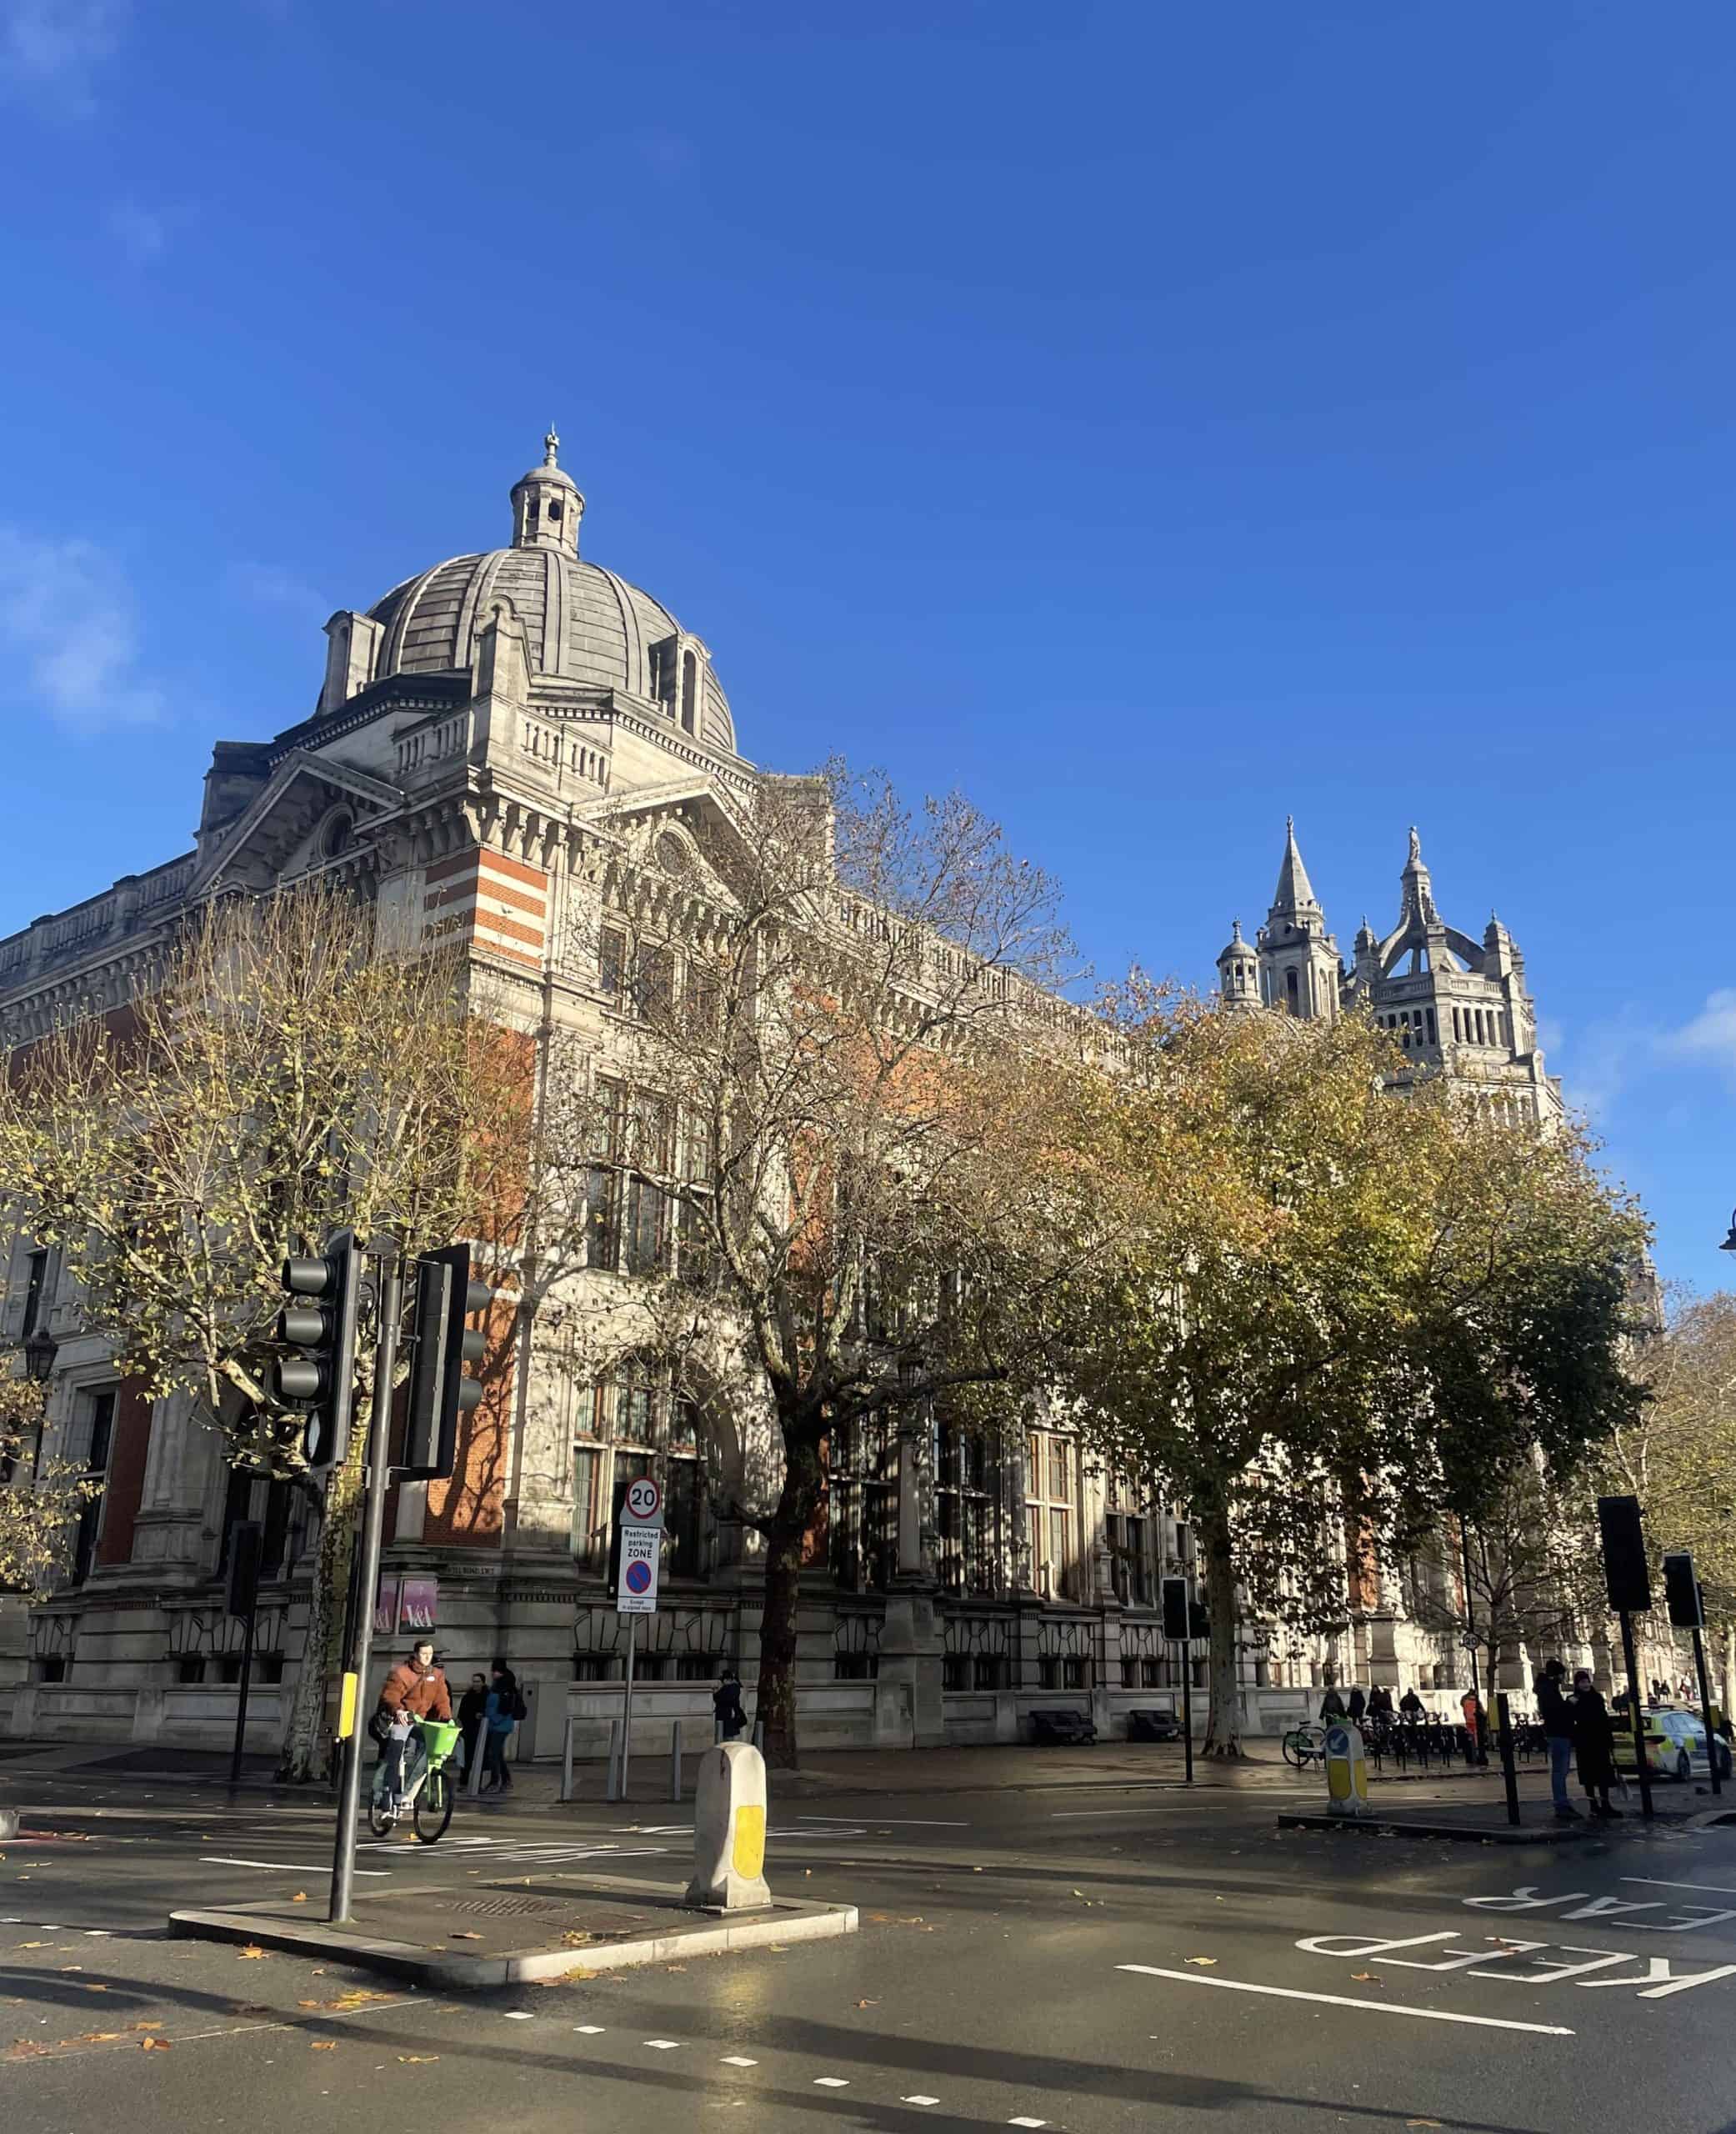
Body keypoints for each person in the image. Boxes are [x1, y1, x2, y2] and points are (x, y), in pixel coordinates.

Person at [375, 1638, 452, 1806]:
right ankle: (386, 1797)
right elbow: (391, 1694)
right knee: (396, 1754)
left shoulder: (436, 1675)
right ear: (416, 1654)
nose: (427, 1657)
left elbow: (442, 1700)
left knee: (433, 1750)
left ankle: (409, 1793)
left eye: (430, 1654)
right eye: (424, 1654)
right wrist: (399, 1710)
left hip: (421, 1721)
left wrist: (446, 1717)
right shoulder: (402, 1673)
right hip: (401, 1719)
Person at [1571, 1668, 1621, 1819]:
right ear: (1577, 1684)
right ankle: (1593, 1806)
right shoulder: (1574, 1700)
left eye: (1586, 1681)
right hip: (1585, 1744)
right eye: (1582, 1682)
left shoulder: (1597, 1698)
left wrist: (1609, 1740)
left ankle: (1605, 1804)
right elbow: (1572, 1719)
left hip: (1599, 1742)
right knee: (1589, 1778)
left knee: (1603, 1776)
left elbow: (1604, 1720)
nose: (1585, 1685)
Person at [1537, 1658, 1578, 1821]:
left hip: (1556, 1732)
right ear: (1558, 1675)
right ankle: (1561, 1804)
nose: (1564, 1678)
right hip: (1559, 1733)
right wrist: (1569, 1703)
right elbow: (1556, 1711)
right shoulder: (1550, 1690)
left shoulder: (1545, 1688)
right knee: (1560, 1770)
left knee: (1560, 1770)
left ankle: (1562, 1803)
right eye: (1562, 1674)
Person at [481, 1661, 520, 1792]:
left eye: (495, 1671)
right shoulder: (498, 1685)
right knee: (497, 1754)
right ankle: (506, 1780)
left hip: (500, 1725)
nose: (492, 1673)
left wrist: (493, 1718)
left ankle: (495, 1781)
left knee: (493, 1753)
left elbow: (506, 1708)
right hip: (494, 1724)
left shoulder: (506, 1687)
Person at [457, 1671, 489, 1778]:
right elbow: (461, 1713)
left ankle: (477, 1779)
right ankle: (465, 1779)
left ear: (483, 1683)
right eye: (474, 1681)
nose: (475, 1684)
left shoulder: (487, 1696)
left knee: (480, 1757)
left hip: (482, 1730)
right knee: (467, 1756)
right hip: (468, 1730)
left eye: (478, 1681)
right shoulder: (468, 1696)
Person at [713, 1667, 747, 1742]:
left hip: (728, 1716)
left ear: (726, 1680)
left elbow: (717, 1697)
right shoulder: (734, 1688)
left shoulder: (730, 1688)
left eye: (722, 1681)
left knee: (728, 1737)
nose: (722, 1682)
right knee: (727, 1736)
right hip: (728, 1715)